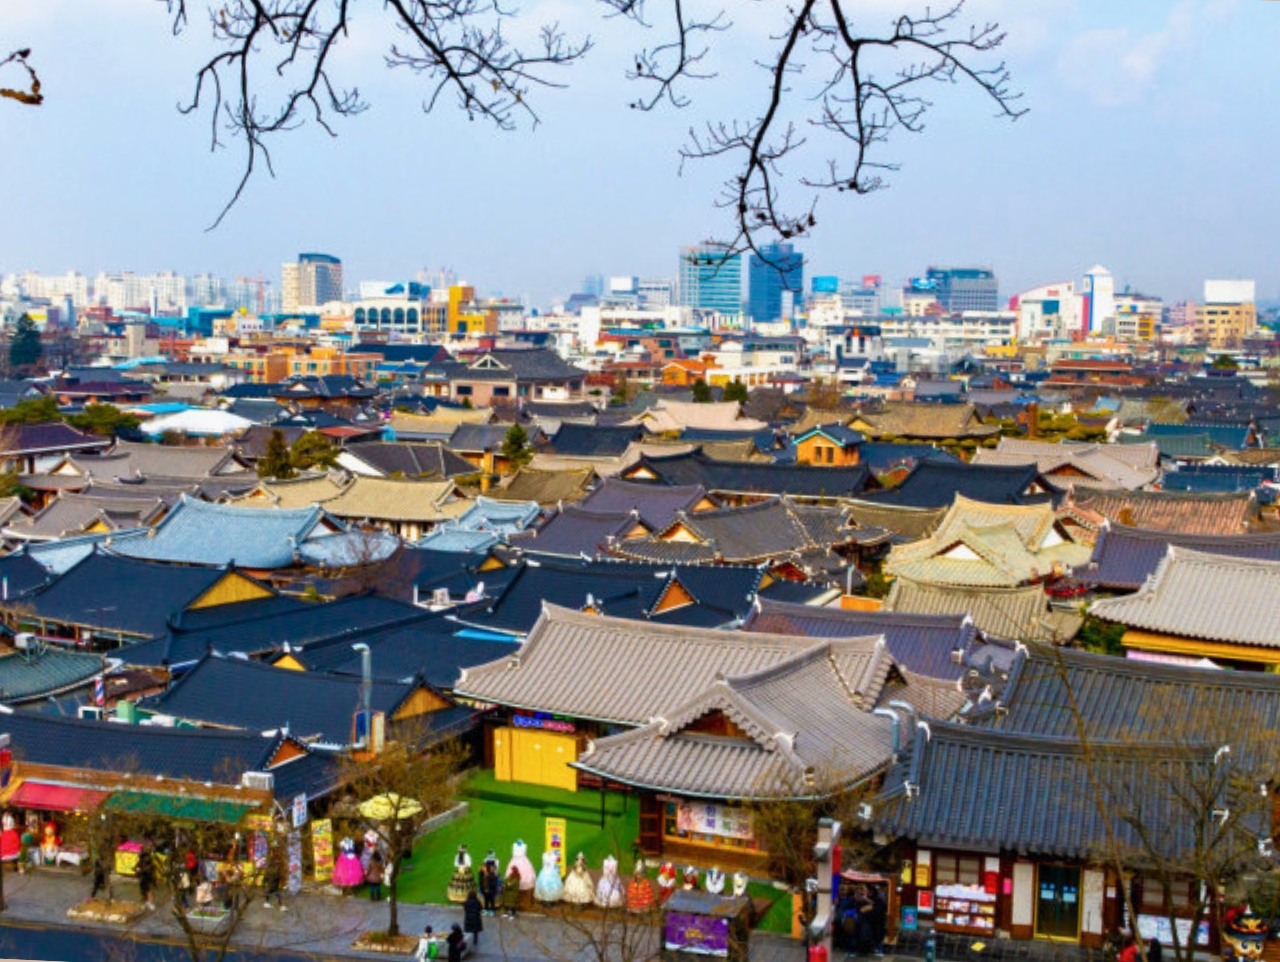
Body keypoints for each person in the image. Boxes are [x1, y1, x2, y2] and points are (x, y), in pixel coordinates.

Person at [135, 843, 156, 911]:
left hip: (147, 876)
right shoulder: (142, 858)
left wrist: (140, 870)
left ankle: (150, 903)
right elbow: (138, 865)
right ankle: (147, 902)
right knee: (143, 889)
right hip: (143, 876)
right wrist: (136, 868)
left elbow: (148, 868)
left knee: (148, 890)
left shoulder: (147, 858)